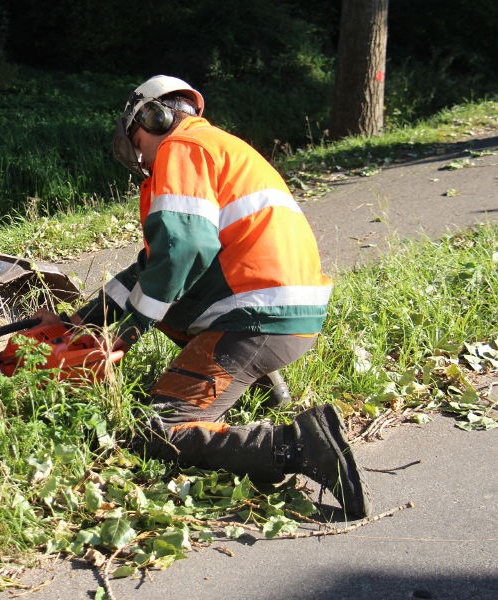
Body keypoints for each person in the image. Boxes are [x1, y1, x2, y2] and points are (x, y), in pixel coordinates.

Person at [34, 75, 369, 518]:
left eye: (136, 137)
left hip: (256, 317)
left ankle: (298, 445)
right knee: (165, 296)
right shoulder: (216, 147)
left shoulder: (181, 148)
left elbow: (183, 249)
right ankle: (268, 393)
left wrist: (130, 330)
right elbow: (151, 268)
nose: (137, 151)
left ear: (154, 118)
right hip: (279, 311)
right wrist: (80, 322)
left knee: (158, 429)